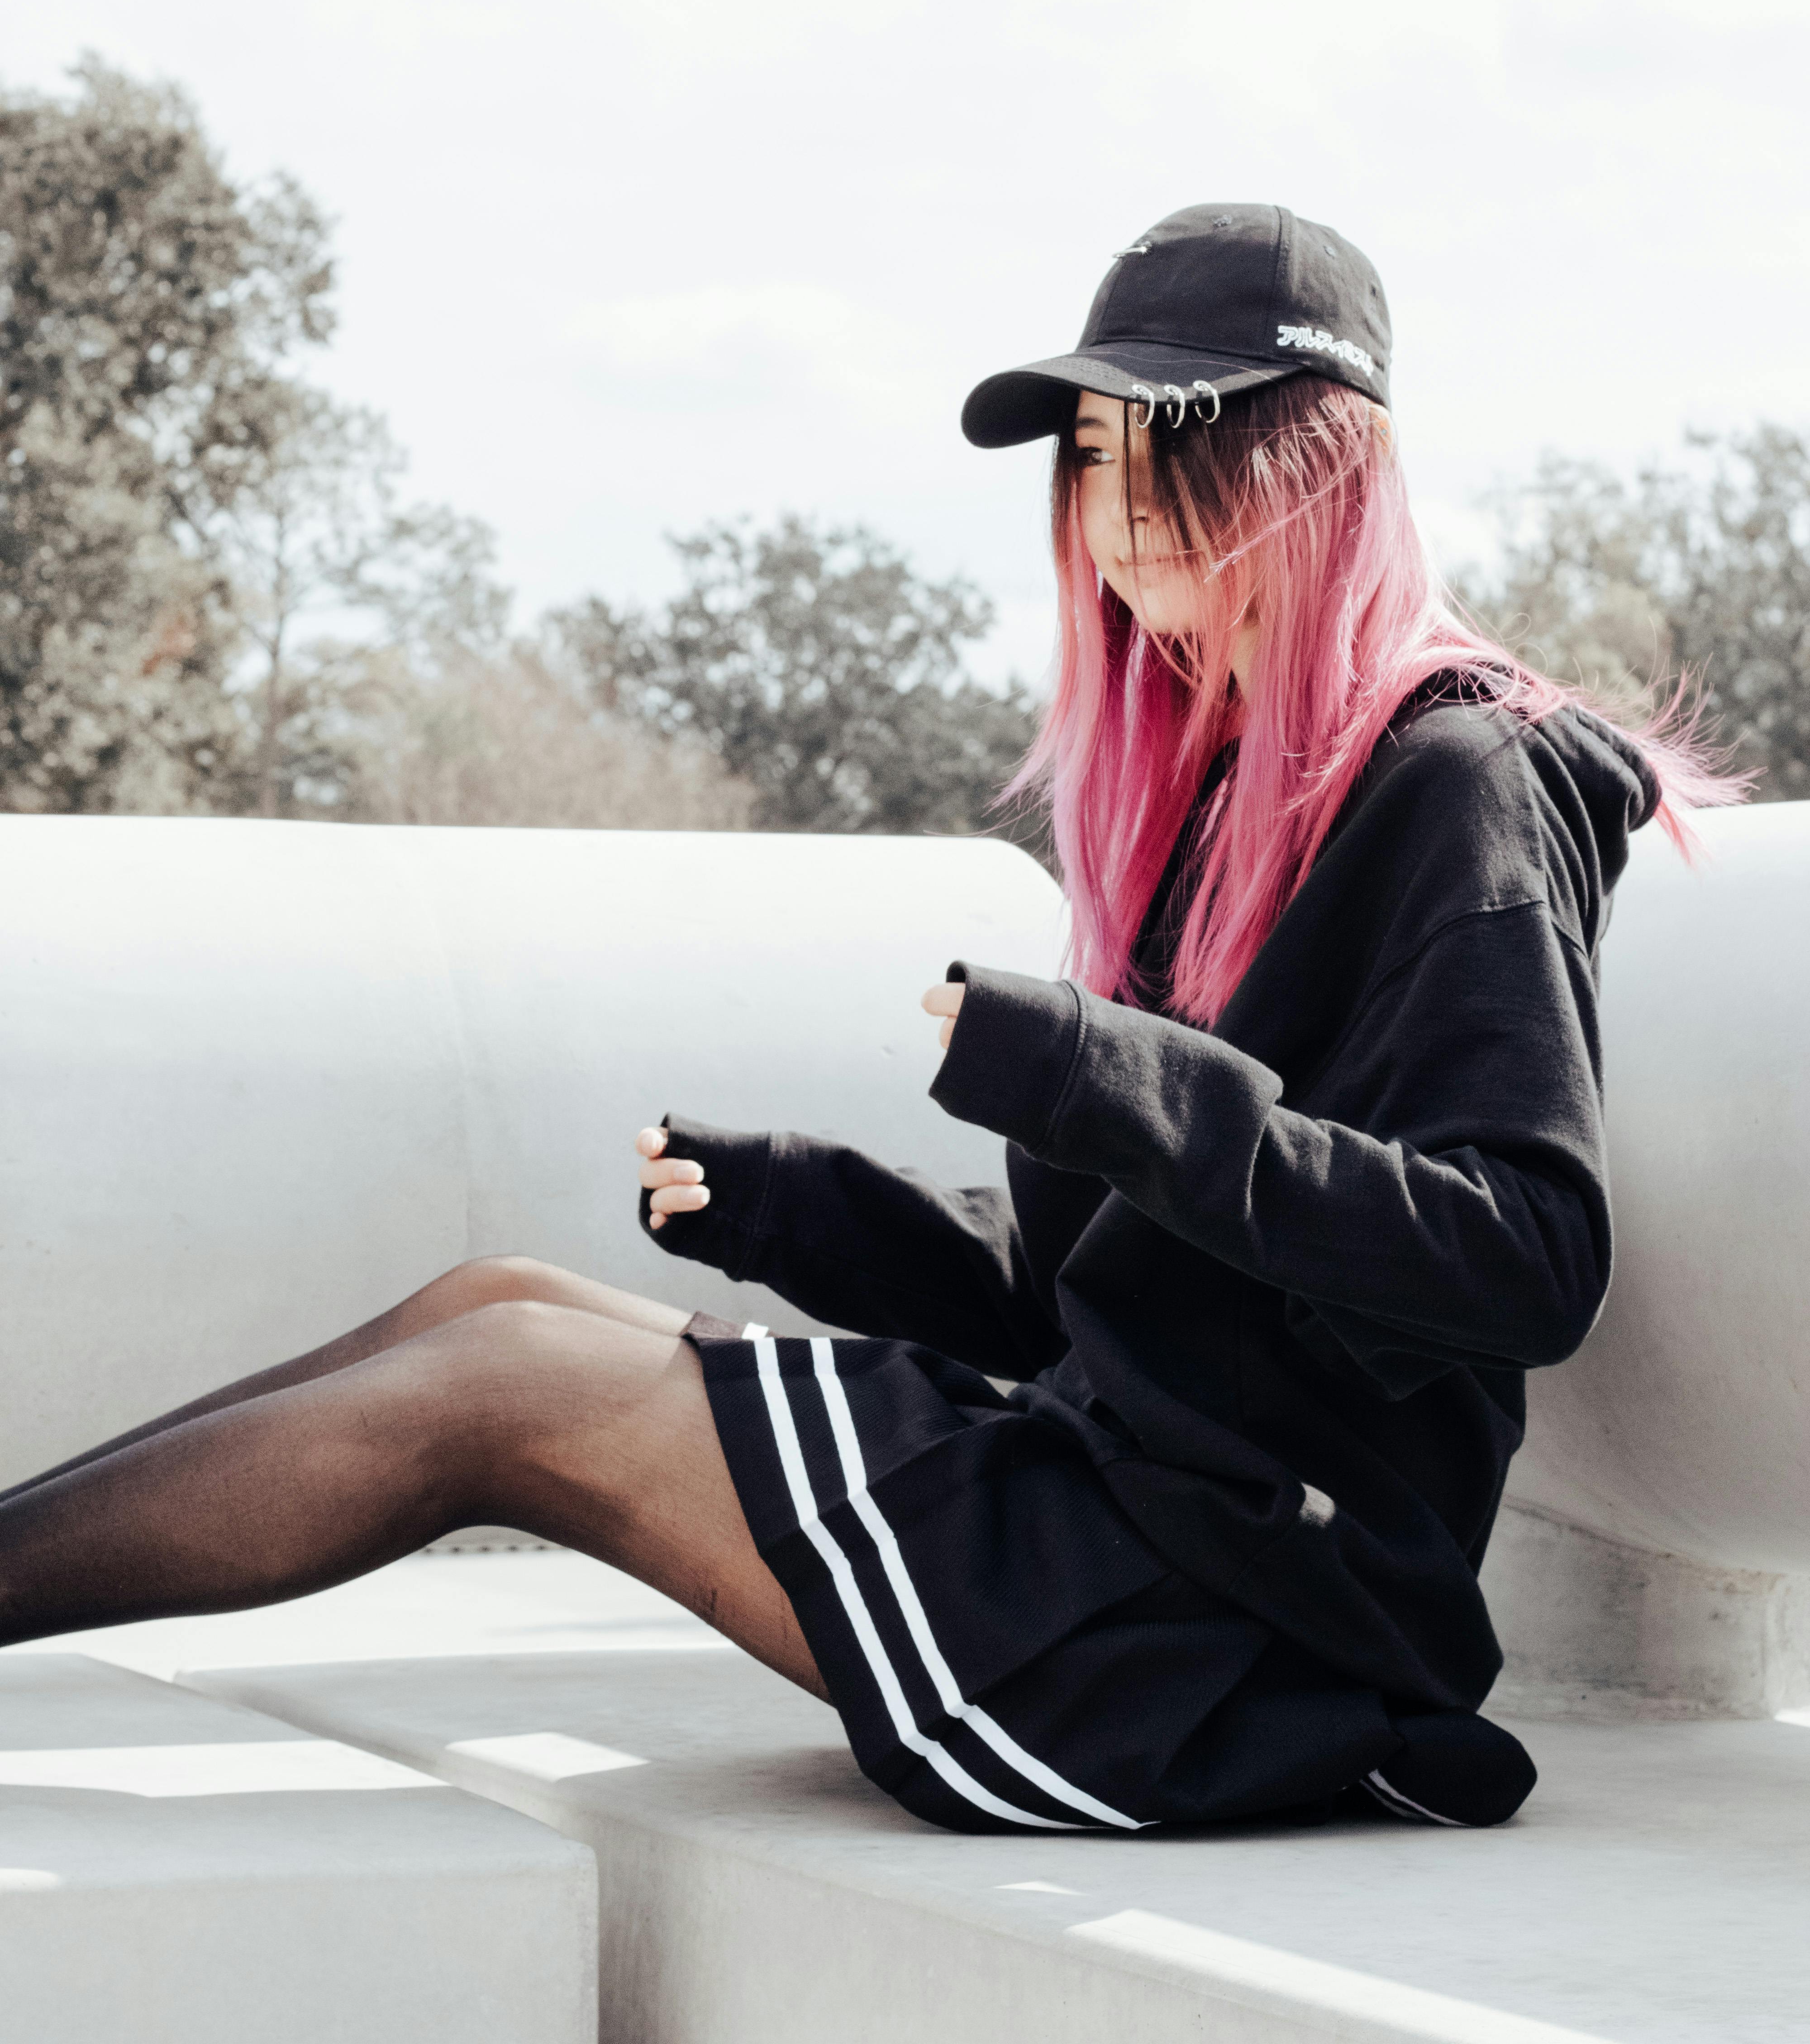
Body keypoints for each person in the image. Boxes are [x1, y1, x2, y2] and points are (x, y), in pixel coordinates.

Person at [0, 203, 1726, 1837]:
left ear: (1318, 461)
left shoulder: (1462, 779)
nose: (1118, 505)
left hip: (1246, 1624)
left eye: (1171, 441)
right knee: (497, 1299)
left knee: (508, 1384)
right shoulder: (1218, 796)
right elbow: (1101, 1303)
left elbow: (1523, 1253)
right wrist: (809, 1213)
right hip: (1135, 1508)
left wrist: (1101, 1073)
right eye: (1092, 455)